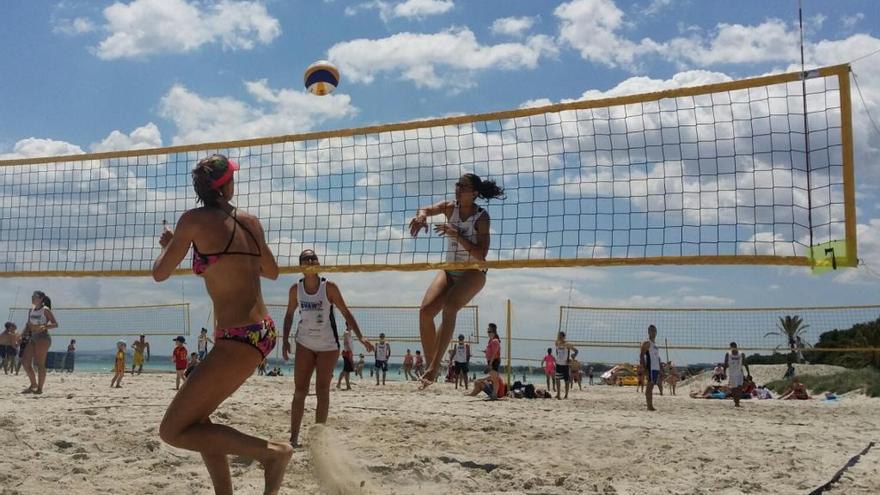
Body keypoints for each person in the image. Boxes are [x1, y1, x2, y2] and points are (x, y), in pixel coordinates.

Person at [152, 153, 292, 494]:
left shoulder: (192, 221)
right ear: (225, 185)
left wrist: (172, 244)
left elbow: (159, 273)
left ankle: (272, 454)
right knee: (197, 421)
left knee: (172, 430)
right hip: (261, 331)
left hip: (237, 337)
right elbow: (272, 272)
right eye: (232, 177)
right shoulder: (250, 221)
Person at [409, 173, 504, 387]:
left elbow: (481, 255)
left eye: (464, 186)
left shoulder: (481, 217)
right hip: (450, 269)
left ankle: (433, 368)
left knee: (450, 307)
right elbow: (426, 208)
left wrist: (456, 235)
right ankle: (431, 365)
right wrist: (421, 216)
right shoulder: (449, 207)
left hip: (474, 271)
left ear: (475, 193)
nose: (458, 188)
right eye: (457, 184)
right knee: (425, 312)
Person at [282, 249, 373, 448]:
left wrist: (361, 337)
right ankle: (293, 438)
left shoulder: (328, 287)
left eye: (313, 257)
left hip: (328, 346)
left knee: (322, 391)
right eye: (306, 258)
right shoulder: (295, 289)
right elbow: (289, 315)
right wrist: (284, 341)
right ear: (301, 266)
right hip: (304, 343)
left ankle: (317, 440)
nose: (311, 260)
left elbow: (345, 312)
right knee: (300, 391)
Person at [21, 291, 59, 394]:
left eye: (35, 297)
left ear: (41, 298)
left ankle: (40, 389)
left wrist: (45, 326)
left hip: (43, 337)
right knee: (25, 362)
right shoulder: (31, 310)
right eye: (32, 296)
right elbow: (28, 325)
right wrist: (22, 334)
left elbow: (55, 324)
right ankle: (33, 384)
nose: (33, 298)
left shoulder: (45, 310)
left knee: (40, 364)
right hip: (33, 337)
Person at [639, 324, 662, 411]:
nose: (653, 332)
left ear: (656, 332)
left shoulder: (655, 345)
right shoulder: (647, 343)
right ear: (648, 332)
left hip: (656, 368)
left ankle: (651, 405)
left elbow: (656, 358)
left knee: (651, 387)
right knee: (649, 387)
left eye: (654, 330)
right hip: (650, 368)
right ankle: (649, 406)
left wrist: (660, 368)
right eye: (651, 330)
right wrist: (644, 368)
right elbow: (641, 355)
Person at [723, 342, 751, 408]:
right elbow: (725, 364)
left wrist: (748, 373)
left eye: (734, 346)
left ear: (736, 346)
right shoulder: (728, 354)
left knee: (739, 388)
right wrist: (724, 373)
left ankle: (737, 402)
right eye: (732, 346)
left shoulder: (741, 354)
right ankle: (736, 401)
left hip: (739, 373)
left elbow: (745, 363)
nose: (733, 347)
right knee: (734, 389)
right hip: (732, 373)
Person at [554, 332, 577, 400]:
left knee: (566, 380)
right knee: (557, 379)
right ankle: (558, 394)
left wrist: (573, 356)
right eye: (559, 336)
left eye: (560, 336)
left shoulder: (567, 344)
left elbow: (576, 351)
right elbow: (557, 351)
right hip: (558, 364)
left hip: (565, 365)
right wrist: (558, 358)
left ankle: (566, 395)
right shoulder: (557, 343)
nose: (559, 338)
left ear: (564, 337)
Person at [336, 324, 356, 391]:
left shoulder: (349, 332)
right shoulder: (346, 332)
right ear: (348, 325)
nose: (352, 326)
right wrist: (349, 351)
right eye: (351, 325)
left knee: (347, 370)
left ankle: (347, 385)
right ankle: (339, 383)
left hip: (349, 352)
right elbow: (345, 343)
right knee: (345, 370)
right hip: (347, 352)